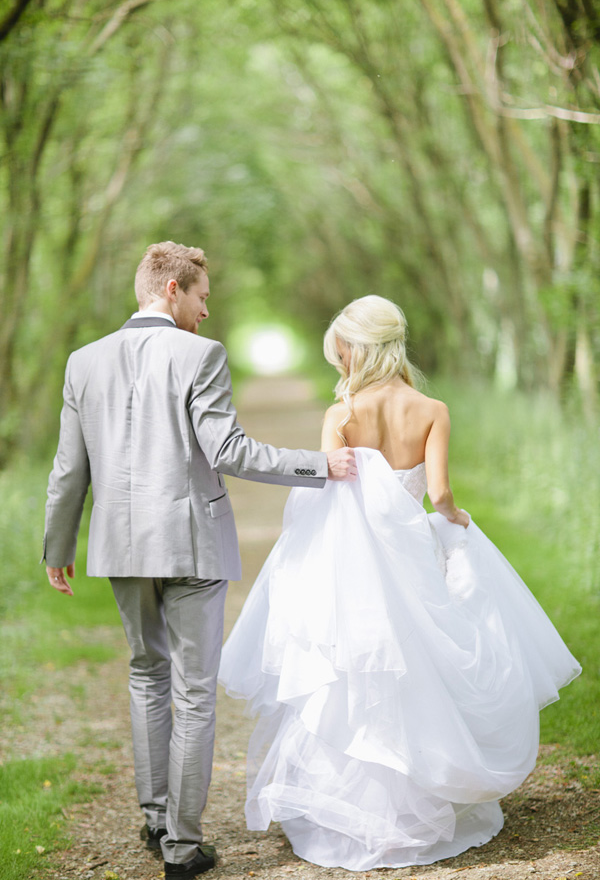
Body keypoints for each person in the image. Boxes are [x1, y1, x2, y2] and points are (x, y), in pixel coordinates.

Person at [218, 294, 581, 871]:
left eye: (341, 350)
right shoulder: (432, 408)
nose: (339, 361)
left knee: (355, 682)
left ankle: (361, 813)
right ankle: (421, 801)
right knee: (419, 671)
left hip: (355, 565)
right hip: (410, 554)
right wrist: (456, 521)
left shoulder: (342, 414)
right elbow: (439, 494)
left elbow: (330, 497)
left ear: (359, 349)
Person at [42, 241, 356, 880]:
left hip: (120, 548)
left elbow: (69, 469)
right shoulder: (201, 355)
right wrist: (318, 465)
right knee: (192, 692)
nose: (207, 312)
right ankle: (183, 847)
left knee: (144, 675)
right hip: (190, 543)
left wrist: (58, 544)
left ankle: (156, 819)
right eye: (203, 297)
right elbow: (230, 451)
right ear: (171, 290)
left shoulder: (83, 361)